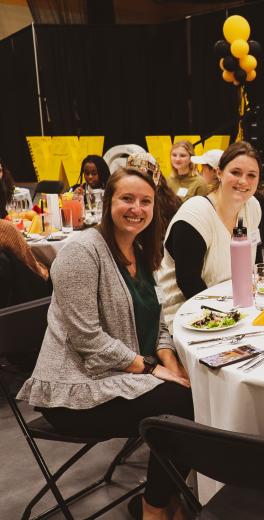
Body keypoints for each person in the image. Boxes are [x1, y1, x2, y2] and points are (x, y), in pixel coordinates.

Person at [16, 167, 194, 520]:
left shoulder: (143, 252)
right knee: (180, 407)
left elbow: (157, 323)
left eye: (145, 201)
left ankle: (166, 496)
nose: (137, 208)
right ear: (108, 201)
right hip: (75, 390)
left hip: (122, 375)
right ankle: (154, 507)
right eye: (127, 199)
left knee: (192, 390)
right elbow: (87, 339)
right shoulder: (82, 251)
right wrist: (153, 369)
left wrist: (172, 366)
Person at [158, 141, 263, 326]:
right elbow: (188, 283)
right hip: (186, 315)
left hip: (234, 309)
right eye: (236, 172)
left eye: (251, 175)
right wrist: (229, 321)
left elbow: (255, 262)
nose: (243, 181)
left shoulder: (252, 207)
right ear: (219, 172)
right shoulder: (196, 214)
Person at [126, 152, 181, 238]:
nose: (138, 181)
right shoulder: (124, 196)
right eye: (133, 175)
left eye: (143, 175)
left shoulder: (169, 202)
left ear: (154, 174)